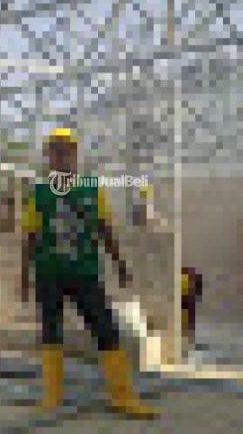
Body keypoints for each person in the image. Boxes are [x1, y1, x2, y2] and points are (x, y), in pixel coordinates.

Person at [21, 127, 158, 417]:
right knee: (50, 331)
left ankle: (122, 396)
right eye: (55, 151)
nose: (60, 156)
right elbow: (31, 235)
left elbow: (104, 229)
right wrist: (24, 276)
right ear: (48, 157)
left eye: (66, 150)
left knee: (106, 328)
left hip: (85, 272)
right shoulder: (39, 192)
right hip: (49, 273)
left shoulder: (92, 189)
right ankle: (52, 397)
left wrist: (119, 264)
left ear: (74, 155)